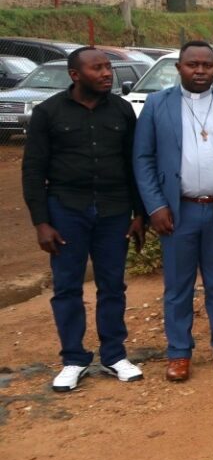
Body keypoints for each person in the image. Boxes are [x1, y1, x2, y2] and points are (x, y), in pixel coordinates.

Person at [133, 40, 213, 381]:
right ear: (179, 68)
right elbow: (142, 159)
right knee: (178, 287)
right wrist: (155, 206)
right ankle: (178, 354)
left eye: (207, 65)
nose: (200, 71)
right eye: (193, 65)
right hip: (177, 212)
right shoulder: (158, 105)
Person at [23, 47, 146, 392]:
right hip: (66, 211)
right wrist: (41, 222)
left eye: (108, 67)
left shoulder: (122, 111)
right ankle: (74, 359)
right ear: (75, 75)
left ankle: (114, 356)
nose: (107, 73)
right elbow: (33, 170)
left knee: (112, 285)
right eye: (98, 68)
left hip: (114, 211)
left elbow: (133, 167)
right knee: (67, 288)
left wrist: (139, 214)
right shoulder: (49, 113)